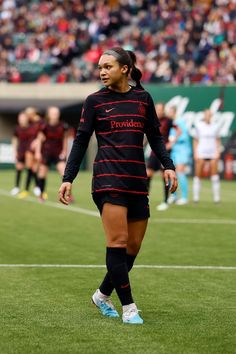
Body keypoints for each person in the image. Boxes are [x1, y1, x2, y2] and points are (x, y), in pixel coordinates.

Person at [58, 47, 178, 325]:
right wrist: (68, 177)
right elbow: (80, 141)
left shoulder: (143, 99)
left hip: (136, 178)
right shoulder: (94, 101)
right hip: (107, 179)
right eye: (100, 67)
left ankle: (102, 295)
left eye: (108, 66)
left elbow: (155, 137)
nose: (101, 71)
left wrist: (168, 165)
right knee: (118, 242)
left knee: (132, 248)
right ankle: (129, 308)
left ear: (125, 69)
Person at [146, 102, 178, 211]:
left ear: (163, 110)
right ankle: (146, 198)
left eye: (160, 109)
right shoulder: (152, 119)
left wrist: (171, 143)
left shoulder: (168, 120)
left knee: (164, 175)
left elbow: (179, 130)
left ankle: (165, 201)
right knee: (148, 174)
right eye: (157, 109)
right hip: (153, 152)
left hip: (163, 152)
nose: (159, 111)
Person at [36, 106, 68, 202]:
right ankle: (41, 195)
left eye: (57, 113)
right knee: (42, 174)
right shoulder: (44, 126)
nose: (55, 115)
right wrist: (38, 152)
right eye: (53, 113)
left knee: (64, 173)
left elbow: (65, 140)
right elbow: (39, 139)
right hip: (46, 152)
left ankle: (67, 195)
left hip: (58, 153)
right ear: (49, 115)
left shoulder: (63, 126)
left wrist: (64, 151)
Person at [193, 109, 221, 203]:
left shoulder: (215, 126)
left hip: (213, 152)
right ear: (204, 115)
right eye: (207, 115)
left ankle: (216, 198)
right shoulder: (199, 125)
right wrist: (196, 153)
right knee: (198, 174)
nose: (208, 116)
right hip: (201, 152)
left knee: (214, 175)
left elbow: (217, 139)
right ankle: (196, 198)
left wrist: (218, 151)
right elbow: (196, 140)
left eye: (210, 115)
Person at [167, 106, 192, 205]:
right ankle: (174, 196)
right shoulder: (170, 123)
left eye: (170, 112)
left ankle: (184, 197)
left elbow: (185, 136)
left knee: (180, 172)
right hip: (174, 151)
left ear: (174, 112)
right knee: (172, 172)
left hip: (182, 150)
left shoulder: (180, 122)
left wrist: (174, 140)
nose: (169, 114)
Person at [10, 111, 30, 196]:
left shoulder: (31, 127)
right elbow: (15, 140)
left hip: (29, 151)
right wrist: (15, 151)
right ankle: (17, 187)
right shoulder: (17, 128)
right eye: (20, 118)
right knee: (19, 168)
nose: (21, 120)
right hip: (21, 151)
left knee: (31, 169)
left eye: (22, 118)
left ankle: (30, 188)